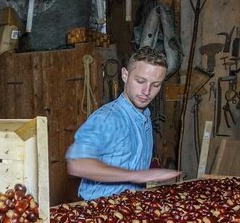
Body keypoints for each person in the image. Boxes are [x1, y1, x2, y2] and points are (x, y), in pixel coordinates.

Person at [66, 46, 181, 200]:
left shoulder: (145, 118)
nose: (147, 91)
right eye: (140, 81)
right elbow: (77, 164)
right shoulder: (106, 118)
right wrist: (137, 176)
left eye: (155, 85)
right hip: (97, 212)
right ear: (125, 75)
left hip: (130, 207)